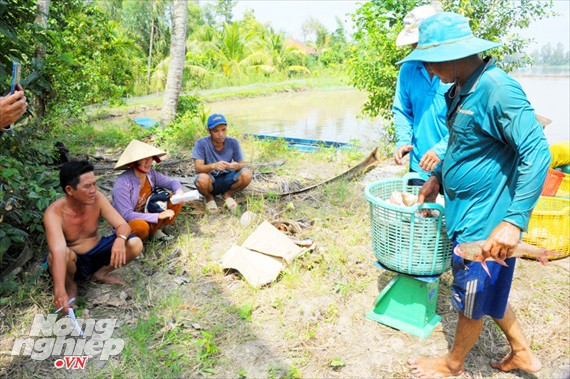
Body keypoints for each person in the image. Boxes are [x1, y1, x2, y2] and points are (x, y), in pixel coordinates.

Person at [396, 12, 551, 377]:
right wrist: (436, 175)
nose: (429, 72)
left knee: (471, 294)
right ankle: (523, 353)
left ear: (450, 54)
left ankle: (453, 363)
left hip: (488, 220)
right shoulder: (459, 89)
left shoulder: (497, 89)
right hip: (465, 211)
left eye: (430, 63)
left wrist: (513, 221)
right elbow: (461, 142)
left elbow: (537, 152)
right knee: (488, 291)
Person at [44, 161, 143, 315]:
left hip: (99, 251)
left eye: (94, 184)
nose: (93, 190)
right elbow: (57, 251)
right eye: (87, 186)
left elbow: (123, 225)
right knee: (55, 257)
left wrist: (120, 239)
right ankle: (71, 286)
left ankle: (100, 274)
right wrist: (59, 290)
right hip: (74, 262)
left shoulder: (97, 198)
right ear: (69, 190)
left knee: (135, 243)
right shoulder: (54, 213)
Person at [393, 2, 450, 184]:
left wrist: (440, 150)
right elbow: (403, 110)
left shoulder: (457, 69)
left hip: (452, 164)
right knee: (420, 210)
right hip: (420, 166)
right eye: (413, 43)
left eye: (420, 41)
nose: (415, 47)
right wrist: (403, 141)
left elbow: (468, 123)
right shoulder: (408, 69)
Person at [112, 139, 185, 241]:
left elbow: (172, 183)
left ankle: (156, 231)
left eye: (150, 158)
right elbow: (126, 214)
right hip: (130, 221)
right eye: (144, 159)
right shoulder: (123, 183)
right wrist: (158, 216)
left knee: (176, 200)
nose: (148, 162)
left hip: (148, 212)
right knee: (140, 227)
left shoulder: (151, 173)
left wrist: (179, 192)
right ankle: (134, 242)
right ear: (134, 162)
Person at [192, 113, 252, 213]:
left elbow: (242, 164)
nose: (221, 134)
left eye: (223, 130)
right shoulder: (201, 143)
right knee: (201, 179)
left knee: (247, 174)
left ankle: (227, 194)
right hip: (211, 181)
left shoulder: (233, 142)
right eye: (216, 131)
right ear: (209, 131)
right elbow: (197, 168)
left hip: (228, 177)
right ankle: (209, 197)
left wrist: (235, 166)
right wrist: (213, 166)